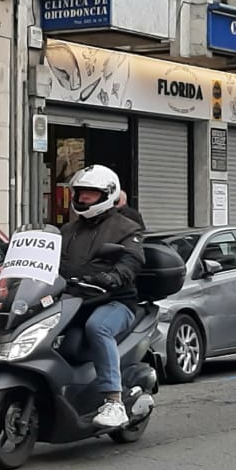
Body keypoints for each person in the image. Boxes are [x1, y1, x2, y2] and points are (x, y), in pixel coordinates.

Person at [59, 165, 146, 429]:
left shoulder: (126, 228)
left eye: (90, 194)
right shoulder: (67, 230)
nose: (83, 198)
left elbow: (133, 259)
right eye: (80, 193)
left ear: (107, 194)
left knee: (98, 327)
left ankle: (113, 401)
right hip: (74, 301)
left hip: (115, 300)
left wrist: (114, 276)